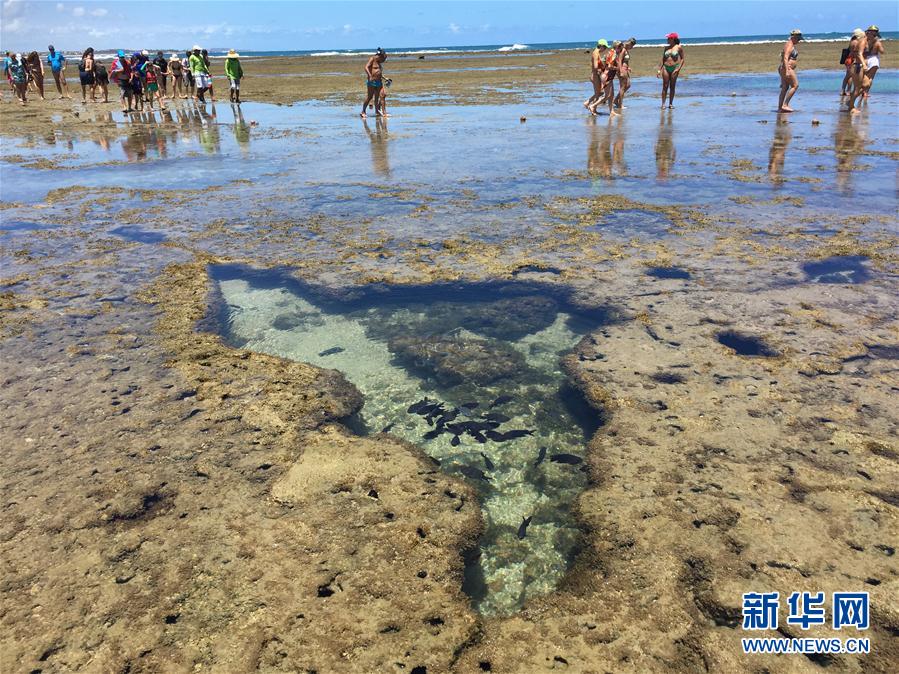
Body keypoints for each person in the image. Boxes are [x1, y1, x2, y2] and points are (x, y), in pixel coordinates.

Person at [777, 29, 802, 113]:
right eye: (798, 39)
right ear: (794, 37)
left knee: (785, 87)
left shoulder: (790, 44)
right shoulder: (789, 45)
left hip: (783, 68)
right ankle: (785, 105)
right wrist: (787, 71)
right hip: (787, 68)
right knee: (795, 85)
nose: (799, 41)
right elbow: (785, 58)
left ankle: (780, 108)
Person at [658, 32, 684, 109]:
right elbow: (663, 59)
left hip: (674, 68)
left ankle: (671, 104)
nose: (667, 39)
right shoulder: (666, 48)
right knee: (665, 86)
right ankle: (663, 104)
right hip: (666, 68)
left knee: (672, 86)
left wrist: (678, 68)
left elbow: (682, 59)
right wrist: (659, 70)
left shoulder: (679, 47)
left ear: (673, 39)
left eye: (668, 38)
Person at [361, 48, 388, 118]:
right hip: (372, 82)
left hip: (379, 82)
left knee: (383, 95)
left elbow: (379, 73)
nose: (383, 61)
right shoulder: (372, 59)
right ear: (380, 56)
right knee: (369, 97)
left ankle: (384, 113)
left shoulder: (379, 63)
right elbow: (366, 67)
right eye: (383, 59)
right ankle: (363, 111)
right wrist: (370, 76)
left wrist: (385, 78)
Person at [846, 28, 866, 114]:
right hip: (858, 66)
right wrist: (864, 64)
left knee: (864, 85)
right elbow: (859, 54)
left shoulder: (852, 42)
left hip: (854, 65)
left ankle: (850, 102)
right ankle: (851, 107)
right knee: (858, 88)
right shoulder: (858, 42)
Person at [861, 25, 885, 98]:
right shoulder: (877, 42)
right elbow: (882, 51)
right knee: (870, 77)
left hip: (865, 59)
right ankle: (865, 92)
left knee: (864, 76)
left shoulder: (865, 40)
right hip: (874, 59)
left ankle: (861, 90)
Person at [614, 38, 637, 109]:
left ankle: (615, 100)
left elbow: (624, 60)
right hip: (622, 69)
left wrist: (628, 67)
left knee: (628, 85)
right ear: (629, 43)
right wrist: (620, 71)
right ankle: (620, 104)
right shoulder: (623, 49)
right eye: (632, 46)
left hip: (625, 69)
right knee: (623, 87)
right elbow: (619, 60)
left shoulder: (624, 49)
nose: (632, 48)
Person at [583, 40, 605, 113]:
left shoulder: (597, 53)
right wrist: (602, 69)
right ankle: (593, 109)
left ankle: (587, 103)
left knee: (600, 92)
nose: (605, 49)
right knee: (598, 94)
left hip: (595, 74)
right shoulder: (595, 53)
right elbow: (595, 66)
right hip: (595, 75)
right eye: (604, 47)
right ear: (601, 46)